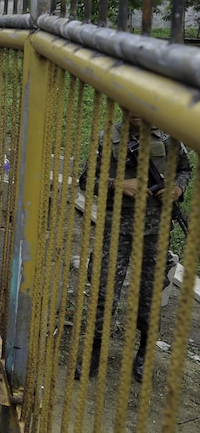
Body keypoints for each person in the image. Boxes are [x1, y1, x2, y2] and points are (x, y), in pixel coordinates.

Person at [76, 113, 192, 382]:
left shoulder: (167, 136)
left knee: (150, 297)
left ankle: (144, 353)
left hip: (155, 231)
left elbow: (185, 169)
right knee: (103, 293)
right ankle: (94, 350)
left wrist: (176, 189)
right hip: (115, 227)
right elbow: (85, 180)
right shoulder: (107, 139)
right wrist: (116, 184)